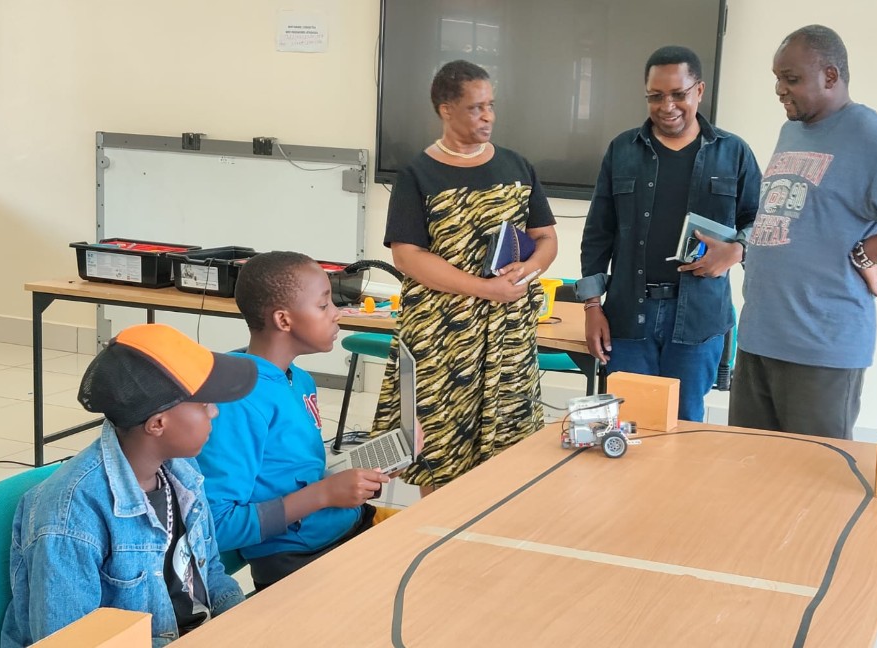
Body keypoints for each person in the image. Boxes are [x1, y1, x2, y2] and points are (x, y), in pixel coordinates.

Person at [729, 25, 877, 439]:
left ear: (831, 76)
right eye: (777, 79)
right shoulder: (793, 129)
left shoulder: (871, 136)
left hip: (819, 347)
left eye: (792, 79)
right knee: (754, 477)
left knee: (815, 485)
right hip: (759, 338)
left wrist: (869, 252)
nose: (780, 90)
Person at [2, 323, 257, 647]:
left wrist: (246, 626)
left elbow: (211, 575)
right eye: (205, 404)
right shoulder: (69, 516)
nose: (216, 412)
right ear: (158, 424)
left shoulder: (183, 472)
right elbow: (68, 641)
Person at [369, 59, 558, 495]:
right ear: (445, 110)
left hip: (507, 331)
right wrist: (483, 288)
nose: (488, 116)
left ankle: (494, 536)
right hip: (442, 333)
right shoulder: (419, 174)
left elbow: (545, 238)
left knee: (509, 439)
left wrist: (528, 270)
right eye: (475, 108)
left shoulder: (517, 166)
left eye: (491, 105)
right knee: (441, 439)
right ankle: (441, 537)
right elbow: (408, 255)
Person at [577, 46, 761, 422]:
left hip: (699, 319)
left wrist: (737, 251)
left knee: (686, 428)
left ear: (699, 91)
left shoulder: (733, 153)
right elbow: (598, 233)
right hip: (629, 318)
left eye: (679, 94)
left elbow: (761, 221)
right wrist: (592, 306)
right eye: (656, 96)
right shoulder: (622, 151)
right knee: (629, 429)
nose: (668, 105)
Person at [196, 251, 397, 591]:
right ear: (284, 320)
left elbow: (297, 472)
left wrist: (368, 471)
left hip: (346, 524)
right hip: (298, 558)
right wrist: (324, 494)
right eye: (324, 306)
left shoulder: (299, 379)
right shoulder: (237, 400)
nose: (337, 314)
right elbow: (217, 524)